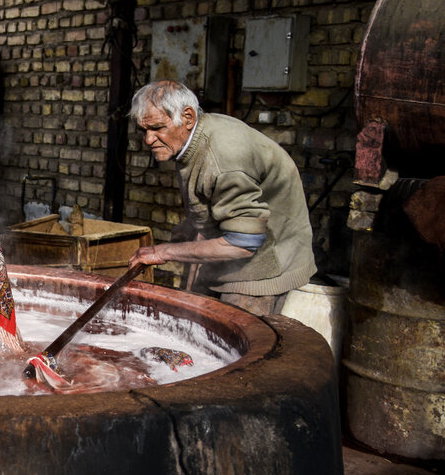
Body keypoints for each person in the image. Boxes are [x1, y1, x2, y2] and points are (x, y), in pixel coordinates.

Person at [127, 79, 315, 315]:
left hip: (264, 263)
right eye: (143, 130)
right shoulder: (193, 138)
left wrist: (163, 252)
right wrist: (193, 224)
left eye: (157, 128)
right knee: (193, 317)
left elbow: (243, 243)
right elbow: (215, 194)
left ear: (188, 117)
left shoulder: (223, 157)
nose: (148, 140)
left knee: (236, 334)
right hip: (232, 251)